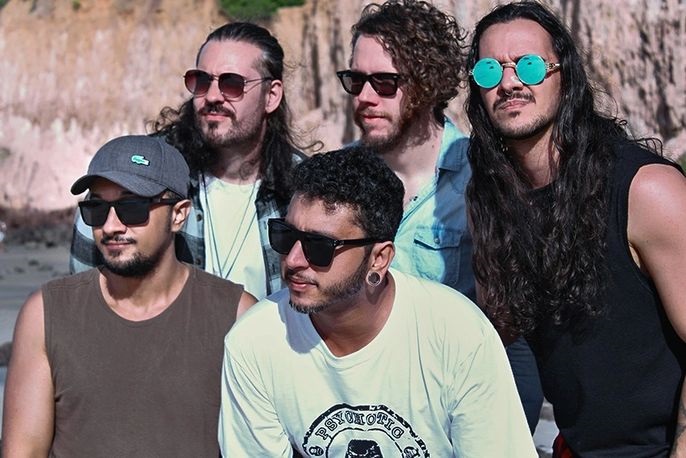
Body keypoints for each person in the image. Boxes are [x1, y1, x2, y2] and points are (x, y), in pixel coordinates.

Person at [465, 2, 686, 456]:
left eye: (529, 65)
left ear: (564, 77)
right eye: (489, 71)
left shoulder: (646, 190)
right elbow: (501, 334)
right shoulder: (493, 199)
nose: (509, 83)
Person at [218, 147, 537, 457]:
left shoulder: (459, 335)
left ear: (379, 259)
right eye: (285, 236)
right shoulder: (254, 341)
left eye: (319, 246)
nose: (293, 259)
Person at [337, 0, 543, 431]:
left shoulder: (486, 178)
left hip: (454, 409)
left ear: (428, 83)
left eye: (385, 82)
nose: (365, 97)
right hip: (358, 412)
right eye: (356, 81)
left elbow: (513, 334)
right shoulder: (334, 181)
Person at [2, 135, 256, 456]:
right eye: (96, 208)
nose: (110, 226)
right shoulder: (45, 315)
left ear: (178, 215)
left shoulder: (236, 316)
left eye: (132, 207)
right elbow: (23, 451)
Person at [70, 22, 305, 300]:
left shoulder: (302, 188)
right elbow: (83, 298)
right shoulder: (141, 174)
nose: (212, 96)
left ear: (272, 96)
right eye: (201, 81)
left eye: (232, 83)